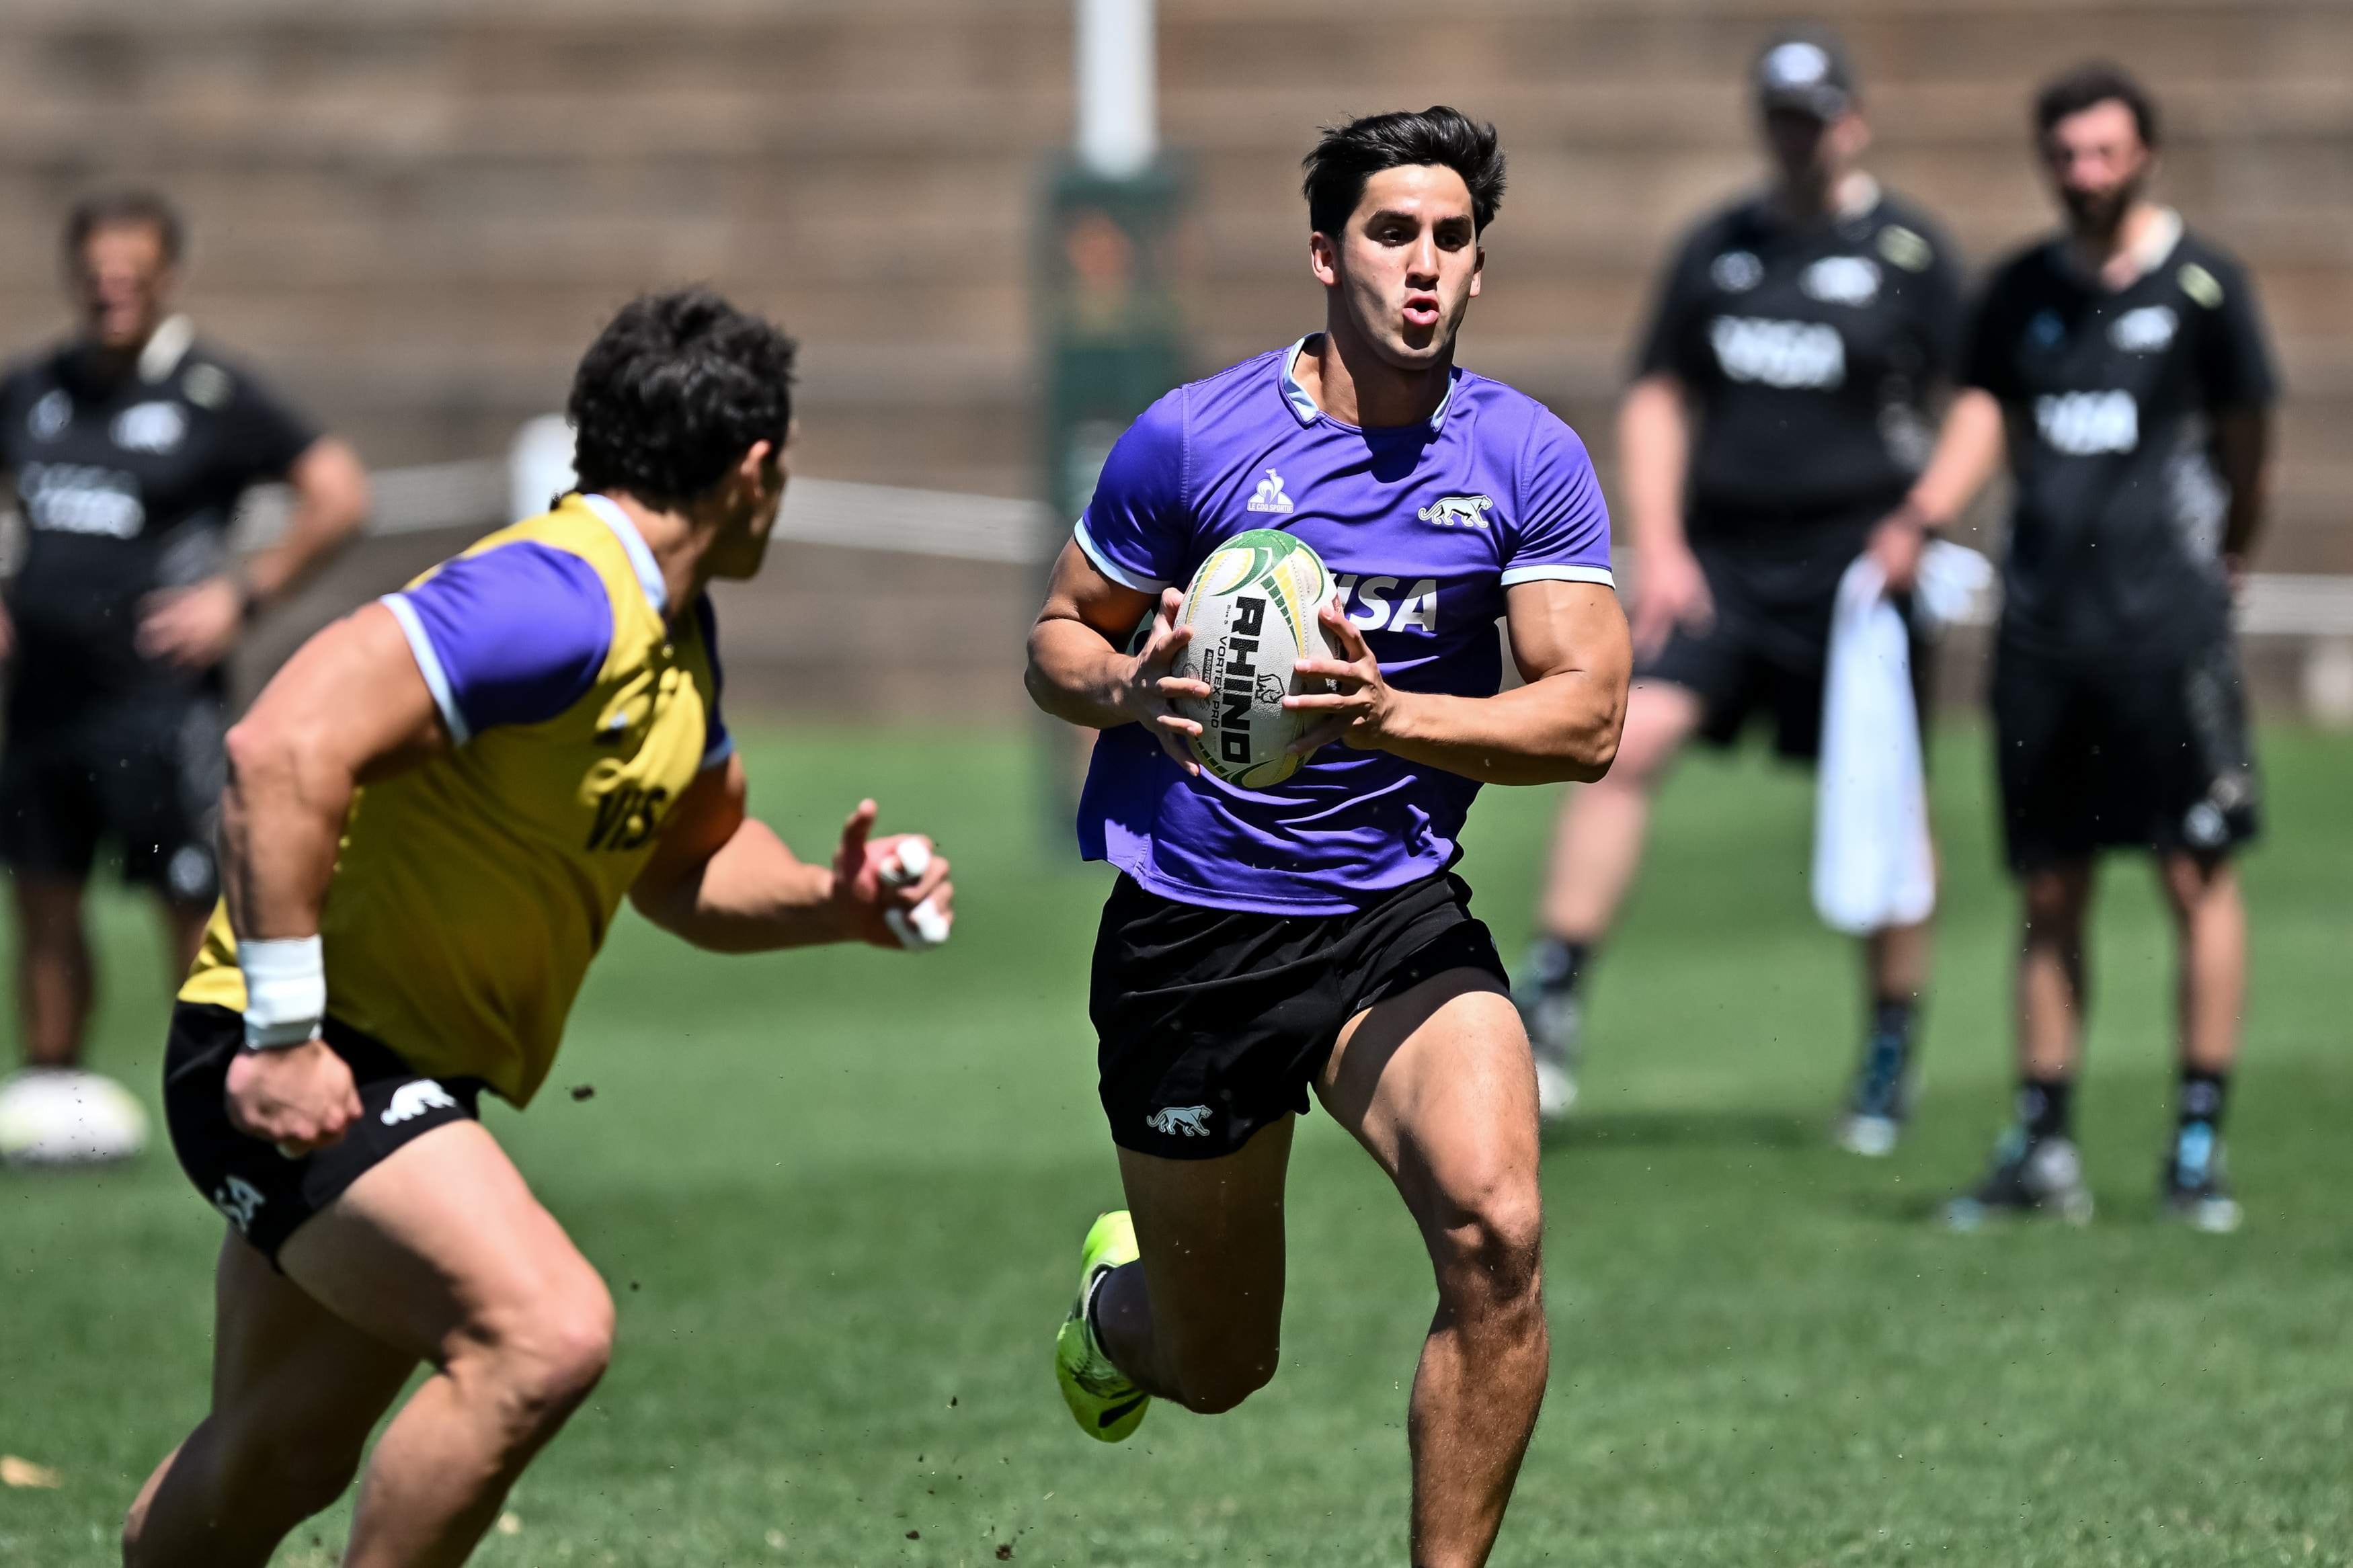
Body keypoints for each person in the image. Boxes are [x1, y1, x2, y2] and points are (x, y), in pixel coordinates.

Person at [122, 288, 957, 1566]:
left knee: (275, 1453)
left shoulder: (675, 634)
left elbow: (687, 860)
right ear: (754, 467)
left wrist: (833, 903)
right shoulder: (556, 595)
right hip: (293, 1052)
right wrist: (285, 1036)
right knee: (542, 1330)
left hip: (391, 1072)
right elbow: (281, 746)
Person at [1027, 108, 1630, 1567]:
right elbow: (1056, 642)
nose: (1422, 266)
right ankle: (1118, 1318)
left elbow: (1586, 719)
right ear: (1322, 253)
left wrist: (1381, 715)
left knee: (1495, 1233)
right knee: (1220, 1364)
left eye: (1450, 239)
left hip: (1391, 922)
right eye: (1389, 233)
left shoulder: (1523, 460)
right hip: (1193, 932)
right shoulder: (1190, 437)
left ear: (1478, 267)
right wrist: (1133, 688)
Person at [1516, 28, 1965, 1147]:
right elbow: (1661, 393)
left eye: (1815, 115)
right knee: (1625, 740)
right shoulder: (1720, 248)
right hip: (1723, 567)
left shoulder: (1912, 255)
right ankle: (1553, 999)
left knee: (1885, 805)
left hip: (1860, 578)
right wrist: (1660, 544)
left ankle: (1888, 1045)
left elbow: (1974, 403)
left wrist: (1922, 522)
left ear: (1852, 121)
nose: (1797, 135)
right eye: (1780, 114)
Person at [1896, 65, 2276, 1231]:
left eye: (2106, 153)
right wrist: (1915, 524)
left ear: (2146, 155)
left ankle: (2197, 1142)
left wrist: (2232, 552)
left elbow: (2246, 440)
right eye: (2067, 154)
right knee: (2050, 885)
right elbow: (1979, 420)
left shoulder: (2205, 289)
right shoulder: (2014, 294)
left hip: (2167, 629)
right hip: (2046, 633)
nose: (2086, 174)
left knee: (2192, 870)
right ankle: (2042, 1144)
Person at [0, 191, 370, 1161]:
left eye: (130, 273)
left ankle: (211, 1091)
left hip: (159, 707)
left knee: (190, 902)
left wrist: (242, 595)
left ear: (166, 276)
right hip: (41, 702)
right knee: (43, 896)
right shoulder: (36, 387)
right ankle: (50, 1092)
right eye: (96, 273)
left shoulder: (213, 394)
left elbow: (338, 494)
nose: (109, 289)